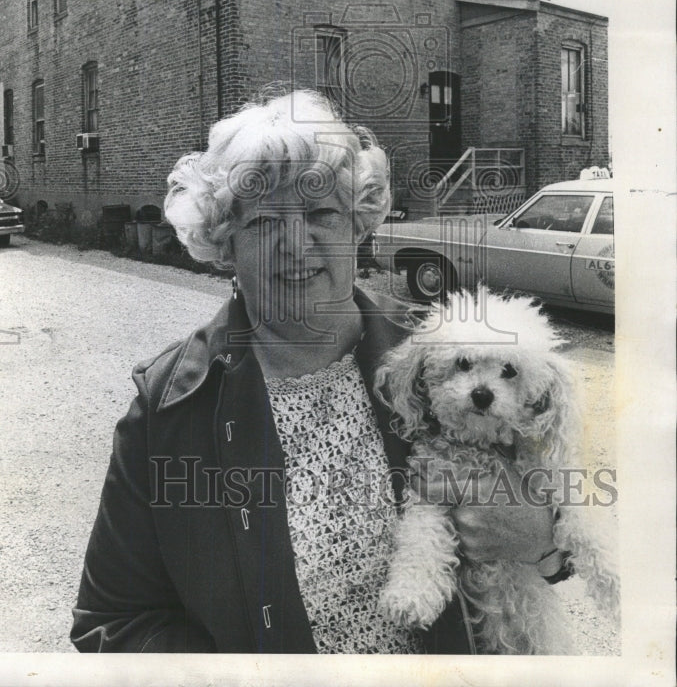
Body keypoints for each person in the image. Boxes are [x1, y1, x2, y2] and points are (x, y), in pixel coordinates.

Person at [70, 89, 562, 654]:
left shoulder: (441, 364)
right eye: (262, 223)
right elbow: (113, 620)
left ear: (359, 224)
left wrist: (544, 543)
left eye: (322, 212)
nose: (297, 245)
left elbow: (551, 523)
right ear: (224, 244)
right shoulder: (169, 406)